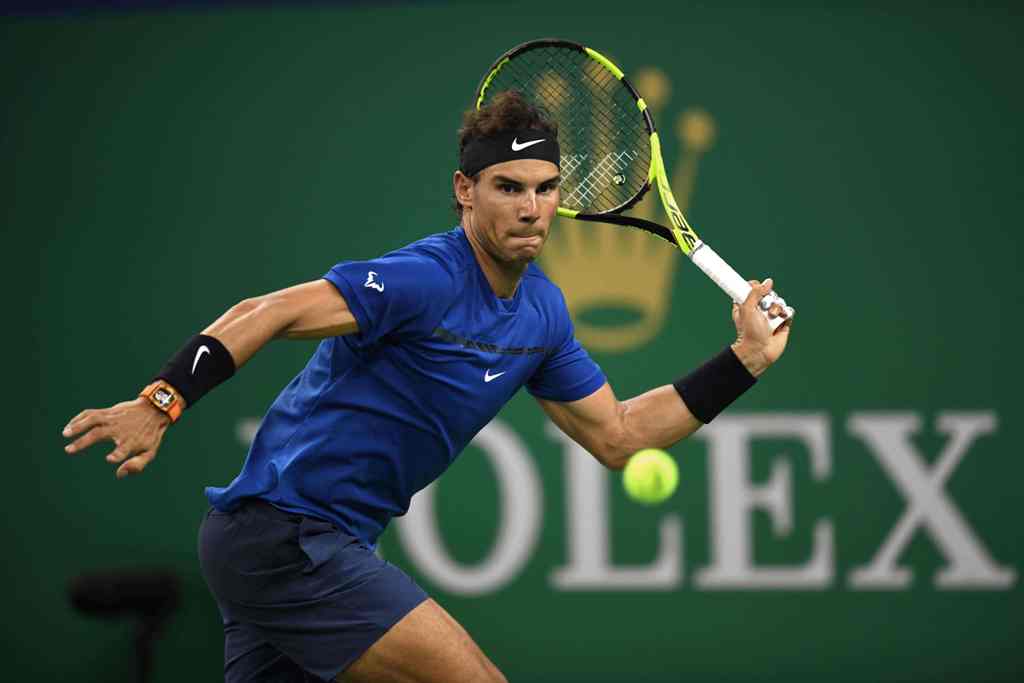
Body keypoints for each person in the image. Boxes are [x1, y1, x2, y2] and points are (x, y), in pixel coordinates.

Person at [62, 90, 792, 683]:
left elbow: (621, 434)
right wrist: (162, 400)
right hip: (284, 535)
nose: (530, 208)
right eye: (507, 188)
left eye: (544, 189)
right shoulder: (422, 278)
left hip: (310, 544)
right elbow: (270, 311)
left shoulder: (542, 312)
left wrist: (744, 361)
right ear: (465, 190)